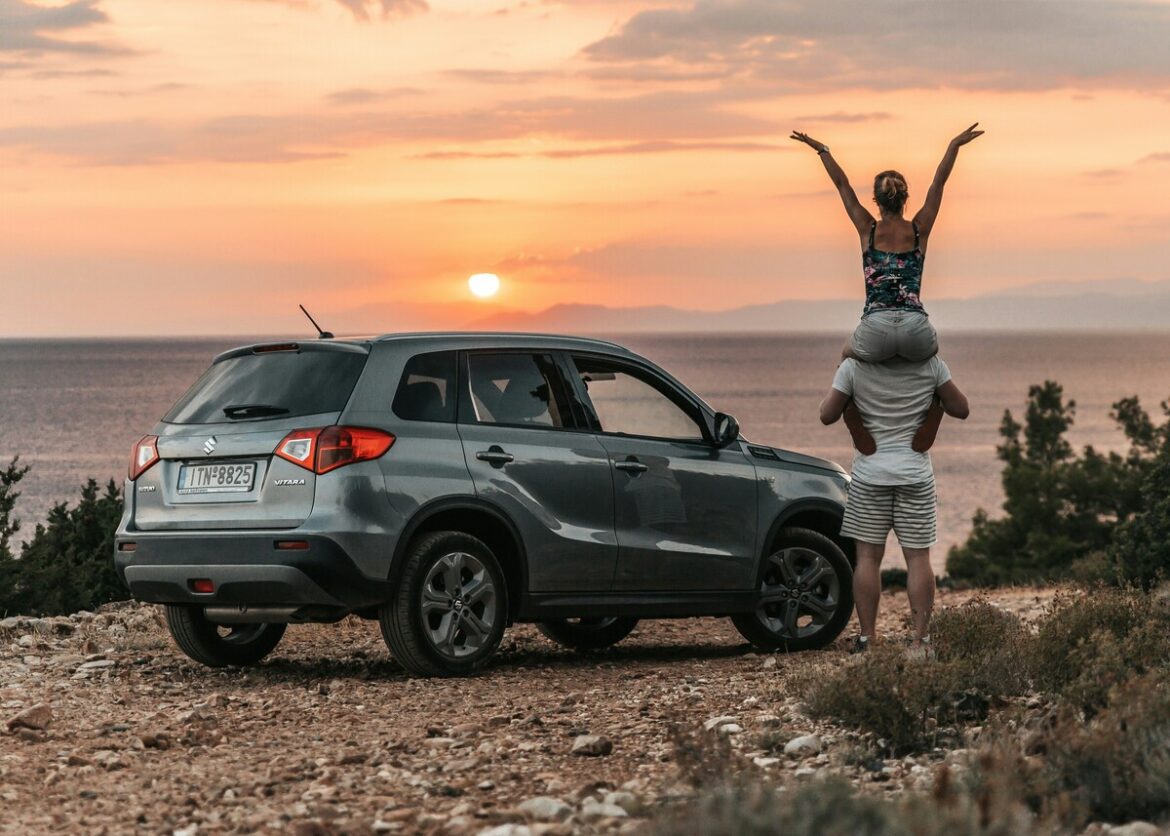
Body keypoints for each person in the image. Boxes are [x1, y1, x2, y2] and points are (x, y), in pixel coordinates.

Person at [791, 124, 984, 363]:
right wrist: (953, 145)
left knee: (846, 358)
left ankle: (849, 402)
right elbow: (938, 183)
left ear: (876, 201)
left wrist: (823, 150)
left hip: (875, 328)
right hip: (916, 329)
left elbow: (842, 184)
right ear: (906, 200)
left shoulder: (867, 229)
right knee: (935, 371)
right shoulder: (919, 230)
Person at [819, 355, 969, 656]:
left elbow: (826, 415)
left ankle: (868, 639)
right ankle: (920, 641)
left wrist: (845, 373)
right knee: (918, 558)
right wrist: (936, 398)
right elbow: (962, 409)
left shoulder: (854, 367)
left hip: (870, 475)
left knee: (868, 559)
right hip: (915, 473)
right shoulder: (931, 365)